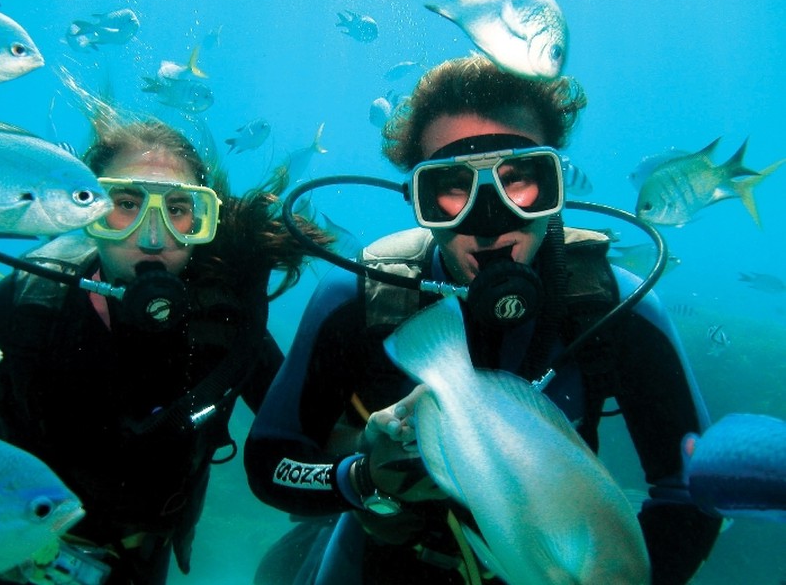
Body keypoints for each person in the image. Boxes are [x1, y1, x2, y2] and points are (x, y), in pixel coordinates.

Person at [243, 55, 722, 585]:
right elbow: (271, 464)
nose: (489, 221)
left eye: (519, 179)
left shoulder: (614, 306)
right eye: (450, 187)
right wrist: (360, 478)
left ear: (555, 184)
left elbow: (691, 491)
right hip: (388, 562)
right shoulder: (359, 297)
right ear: (416, 199)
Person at [0, 117, 330, 584]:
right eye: (126, 205)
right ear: (88, 212)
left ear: (203, 220)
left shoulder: (225, 324)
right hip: (5, 554)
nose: (153, 236)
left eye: (179, 209)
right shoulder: (31, 301)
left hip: (139, 562)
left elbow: (304, 433)